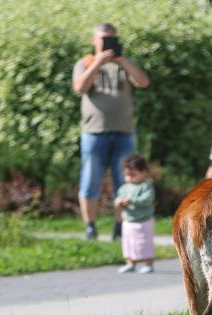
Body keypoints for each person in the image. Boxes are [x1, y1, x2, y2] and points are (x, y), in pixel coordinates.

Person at [72, 23, 150, 240]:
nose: (107, 43)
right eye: (103, 39)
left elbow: (143, 82)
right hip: (94, 132)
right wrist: (98, 62)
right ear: (93, 40)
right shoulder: (85, 63)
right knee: (90, 180)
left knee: (124, 182)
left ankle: (120, 226)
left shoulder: (124, 65)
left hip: (124, 133)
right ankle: (90, 227)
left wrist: (122, 60)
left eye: (111, 39)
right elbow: (79, 88)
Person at [115, 154, 156, 274]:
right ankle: (130, 263)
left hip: (144, 221)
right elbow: (118, 198)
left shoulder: (146, 186)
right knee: (128, 242)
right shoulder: (124, 188)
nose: (130, 177)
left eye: (133, 175)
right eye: (127, 175)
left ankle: (149, 263)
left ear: (144, 173)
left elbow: (147, 199)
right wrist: (119, 202)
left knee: (144, 242)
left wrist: (132, 201)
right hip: (128, 221)